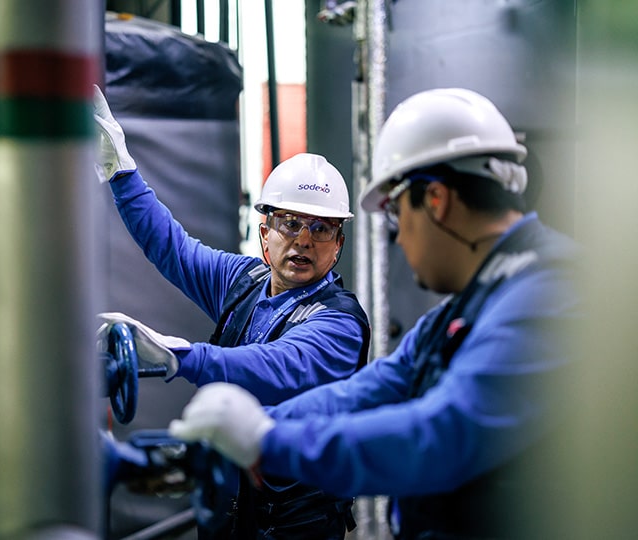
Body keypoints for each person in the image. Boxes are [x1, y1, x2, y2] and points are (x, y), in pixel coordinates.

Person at [168, 87, 582, 540]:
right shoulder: (473, 301)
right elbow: (373, 388)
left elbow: (437, 437)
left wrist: (268, 443)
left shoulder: (550, 293)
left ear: (436, 202)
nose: (399, 239)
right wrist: (259, 427)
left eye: (395, 215)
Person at [93, 86, 370, 539]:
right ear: (265, 233)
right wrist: (120, 170)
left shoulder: (337, 323)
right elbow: (172, 247)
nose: (303, 240)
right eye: (290, 222)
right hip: (228, 515)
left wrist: (181, 357)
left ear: (337, 246)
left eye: (321, 228)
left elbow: (275, 366)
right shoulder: (244, 281)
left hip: (296, 527)